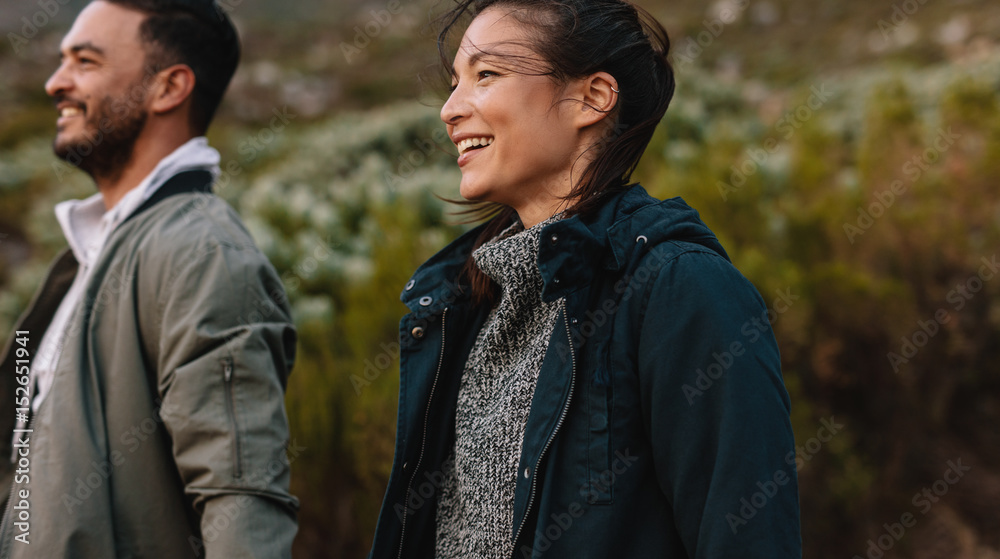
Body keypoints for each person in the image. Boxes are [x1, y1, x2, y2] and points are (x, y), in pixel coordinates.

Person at [368, 0, 801, 557]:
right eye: (455, 83)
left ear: (591, 98)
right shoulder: (467, 303)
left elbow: (747, 540)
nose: (450, 109)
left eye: (487, 75)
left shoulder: (682, 290)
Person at [0, 1, 298, 557]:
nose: (53, 83)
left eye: (85, 62)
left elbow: (242, 505)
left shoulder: (202, 255)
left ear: (168, 89)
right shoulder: (90, 254)